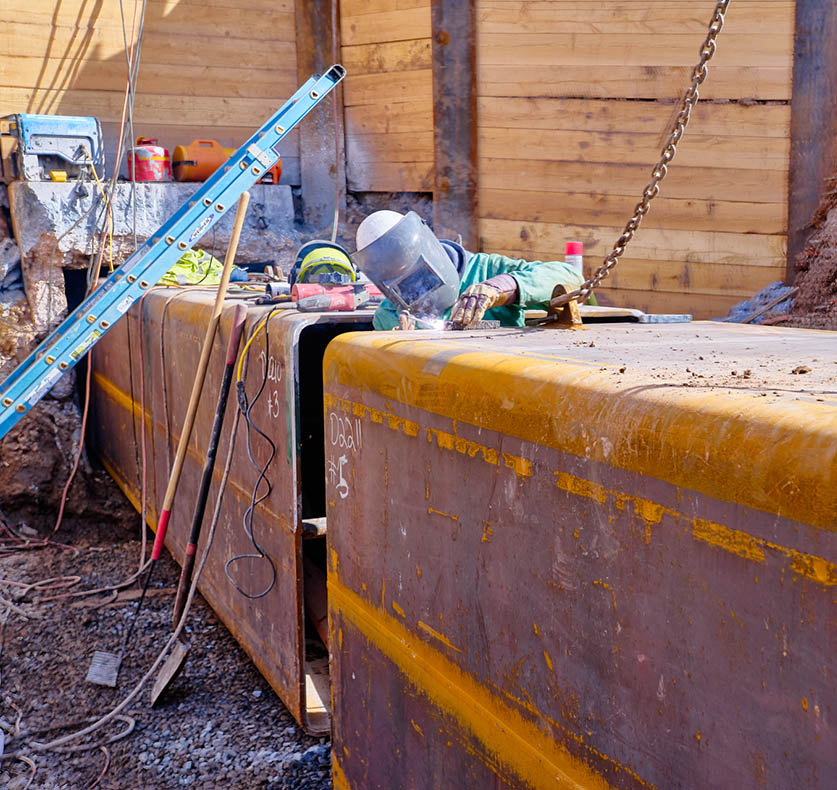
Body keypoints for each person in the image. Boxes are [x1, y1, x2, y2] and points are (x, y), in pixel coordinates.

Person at [352, 211, 583, 331]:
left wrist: (500, 288)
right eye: (403, 286)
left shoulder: (487, 269)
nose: (418, 290)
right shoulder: (389, 316)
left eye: (421, 276)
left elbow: (571, 277)